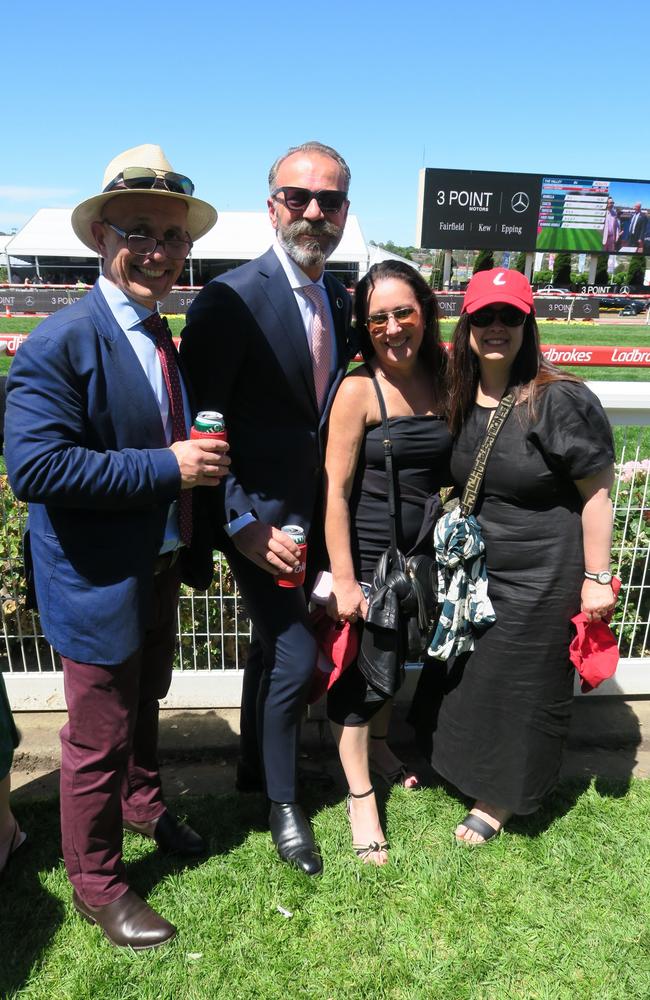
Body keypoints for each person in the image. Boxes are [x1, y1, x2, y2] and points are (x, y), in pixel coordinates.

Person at [4, 144, 229, 948]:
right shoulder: (59, 340)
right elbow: (34, 467)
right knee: (94, 739)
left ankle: (142, 805)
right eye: (141, 231)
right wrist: (167, 465)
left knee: (143, 705)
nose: (159, 251)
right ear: (102, 234)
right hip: (95, 578)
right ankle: (97, 882)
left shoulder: (159, 333)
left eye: (173, 238)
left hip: (157, 566)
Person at [181, 141, 355, 876]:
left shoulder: (340, 299)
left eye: (330, 201)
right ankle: (284, 803)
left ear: (345, 210)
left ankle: (257, 765)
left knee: (272, 649)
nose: (314, 212)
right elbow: (198, 426)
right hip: (256, 522)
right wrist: (242, 525)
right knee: (291, 652)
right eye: (299, 197)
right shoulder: (228, 299)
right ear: (272, 203)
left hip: (318, 516)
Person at [410, 268, 615, 845]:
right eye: (485, 316)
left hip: (543, 568)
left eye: (510, 316)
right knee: (467, 672)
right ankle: (455, 766)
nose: (497, 327)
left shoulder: (557, 398)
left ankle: (500, 796)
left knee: (519, 680)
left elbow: (597, 492)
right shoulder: (458, 393)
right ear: (466, 324)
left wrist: (597, 578)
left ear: (529, 323)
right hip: (477, 567)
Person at [323, 260, 451, 864]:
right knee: (361, 677)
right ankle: (360, 797)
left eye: (404, 312)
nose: (393, 327)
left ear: (424, 312)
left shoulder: (445, 376)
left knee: (395, 663)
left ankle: (379, 746)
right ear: (363, 325)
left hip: (421, 558)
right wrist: (344, 579)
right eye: (378, 318)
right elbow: (335, 493)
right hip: (371, 559)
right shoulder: (358, 389)